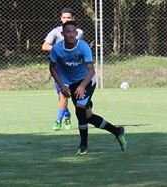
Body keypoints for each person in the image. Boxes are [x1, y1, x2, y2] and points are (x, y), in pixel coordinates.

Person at [48, 21, 127, 155]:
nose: (71, 34)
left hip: (87, 81)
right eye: (68, 31)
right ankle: (117, 131)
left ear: (77, 33)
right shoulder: (57, 49)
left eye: (74, 31)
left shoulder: (83, 47)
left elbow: (91, 70)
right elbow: (52, 67)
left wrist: (82, 86)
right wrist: (62, 86)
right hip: (71, 84)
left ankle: (83, 146)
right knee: (87, 116)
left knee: (80, 111)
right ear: (62, 34)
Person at [42, 8, 84, 131]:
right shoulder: (55, 32)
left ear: (73, 19)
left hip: (72, 69)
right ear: (61, 18)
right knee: (61, 96)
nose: (66, 20)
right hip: (58, 69)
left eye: (69, 18)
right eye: (64, 17)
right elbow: (45, 46)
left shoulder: (78, 32)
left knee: (63, 95)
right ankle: (67, 115)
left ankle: (58, 120)